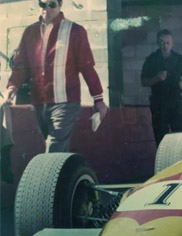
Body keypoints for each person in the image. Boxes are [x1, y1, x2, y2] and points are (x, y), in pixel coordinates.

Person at [3, 0, 108, 153]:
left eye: (51, 5)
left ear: (60, 5)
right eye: (42, 4)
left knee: (54, 148)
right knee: (50, 153)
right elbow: (20, 67)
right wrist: (12, 87)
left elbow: (87, 68)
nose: (46, 9)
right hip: (38, 104)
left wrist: (98, 99)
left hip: (65, 102)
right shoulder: (29, 32)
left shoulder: (75, 31)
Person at [141, 29, 182, 146]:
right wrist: (156, 78)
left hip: (175, 101)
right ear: (158, 43)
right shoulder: (151, 60)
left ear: (172, 43)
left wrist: (181, 83)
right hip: (159, 103)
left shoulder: (179, 59)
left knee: (179, 136)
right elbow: (144, 82)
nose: (165, 46)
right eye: (162, 43)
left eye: (167, 43)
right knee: (161, 138)